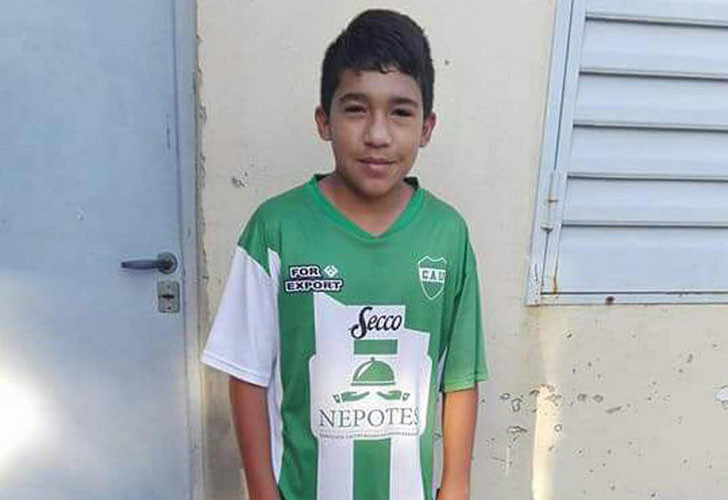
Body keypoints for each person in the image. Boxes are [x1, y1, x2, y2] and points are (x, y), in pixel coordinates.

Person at [201, 9, 488, 500]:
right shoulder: (275, 230)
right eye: (356, 109)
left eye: (400, 112)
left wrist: (456, 486)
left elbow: (460, 377)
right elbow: (246, 374)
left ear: (427, 127)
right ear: (324, 121)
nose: (377, 134)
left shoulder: (447, 235)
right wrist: (263, 493)